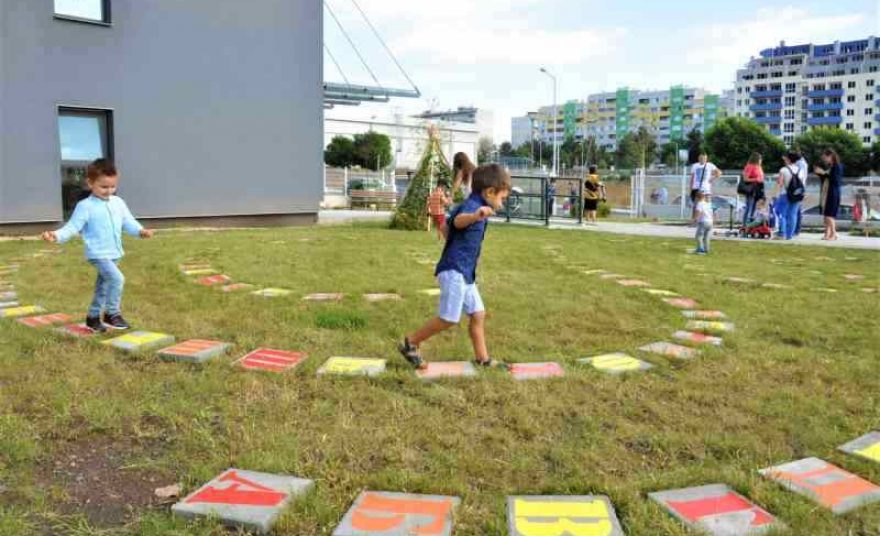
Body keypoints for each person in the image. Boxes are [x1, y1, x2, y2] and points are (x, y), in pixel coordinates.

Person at [398, 164, 512, 369]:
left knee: (478, 314)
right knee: (449, 318)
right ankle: (411, 343)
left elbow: (450, 230)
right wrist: (476, 216)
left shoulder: (473, 204)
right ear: (489, 192)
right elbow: (459, 221)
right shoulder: (474, 206)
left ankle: (483, 359)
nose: (502, 203)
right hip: (455, 270)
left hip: (465, 273)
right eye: (502, 198)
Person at [41, 159, 154, 332]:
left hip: (115, 253)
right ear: (90, 183)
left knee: (103, 287)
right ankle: (112, 313)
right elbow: (73, 227)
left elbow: (128, 221)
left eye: (113, 186)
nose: (109, 191)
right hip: (98, 254)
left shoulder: (118, 202)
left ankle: (93, 317)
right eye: (104, 187)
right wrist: (56, 235)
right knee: (117, 279)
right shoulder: (85, 206)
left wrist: (140, 231)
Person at [814, 148, 843, 241]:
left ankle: (834, 234)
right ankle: (827, 234)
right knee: (826, 214)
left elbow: (835, 180)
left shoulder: (837, 167)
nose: (824, 160)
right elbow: (826, 178)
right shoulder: (831, 167)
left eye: (825, 157)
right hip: (827, 192)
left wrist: (823, 173)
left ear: (830, 156)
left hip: (832, 193)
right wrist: (820, 174)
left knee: (829, 215)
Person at [775, 152, 804, 240]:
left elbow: (780, 184)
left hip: (785, 194)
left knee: (782, 214)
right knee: (793, 214)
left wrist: (776, 194)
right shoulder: (800, 170)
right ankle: (789, 235)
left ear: (788, 159)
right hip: (796, 194)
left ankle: (782, 233)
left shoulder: (783, 170)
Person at [741, 152, 765, 226]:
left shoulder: (759, 167)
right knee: (749, 206)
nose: (761, 160)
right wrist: (756, 179)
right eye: (760, 159)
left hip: (758, 189)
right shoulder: (750, 166)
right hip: (751, 189)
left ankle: (751, 224)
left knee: (754, 207)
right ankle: (745, 224)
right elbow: (745, 179)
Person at [693, 190, 713, 255]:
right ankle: (707, 249)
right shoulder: (707, 203)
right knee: (706, 237)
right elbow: (711, 213)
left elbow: (699, 212)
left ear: (697, 197)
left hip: (703, 222)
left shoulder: (700, 203)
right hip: (710, 222)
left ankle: (700, 249)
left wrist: (695, 219)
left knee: (698, 236)